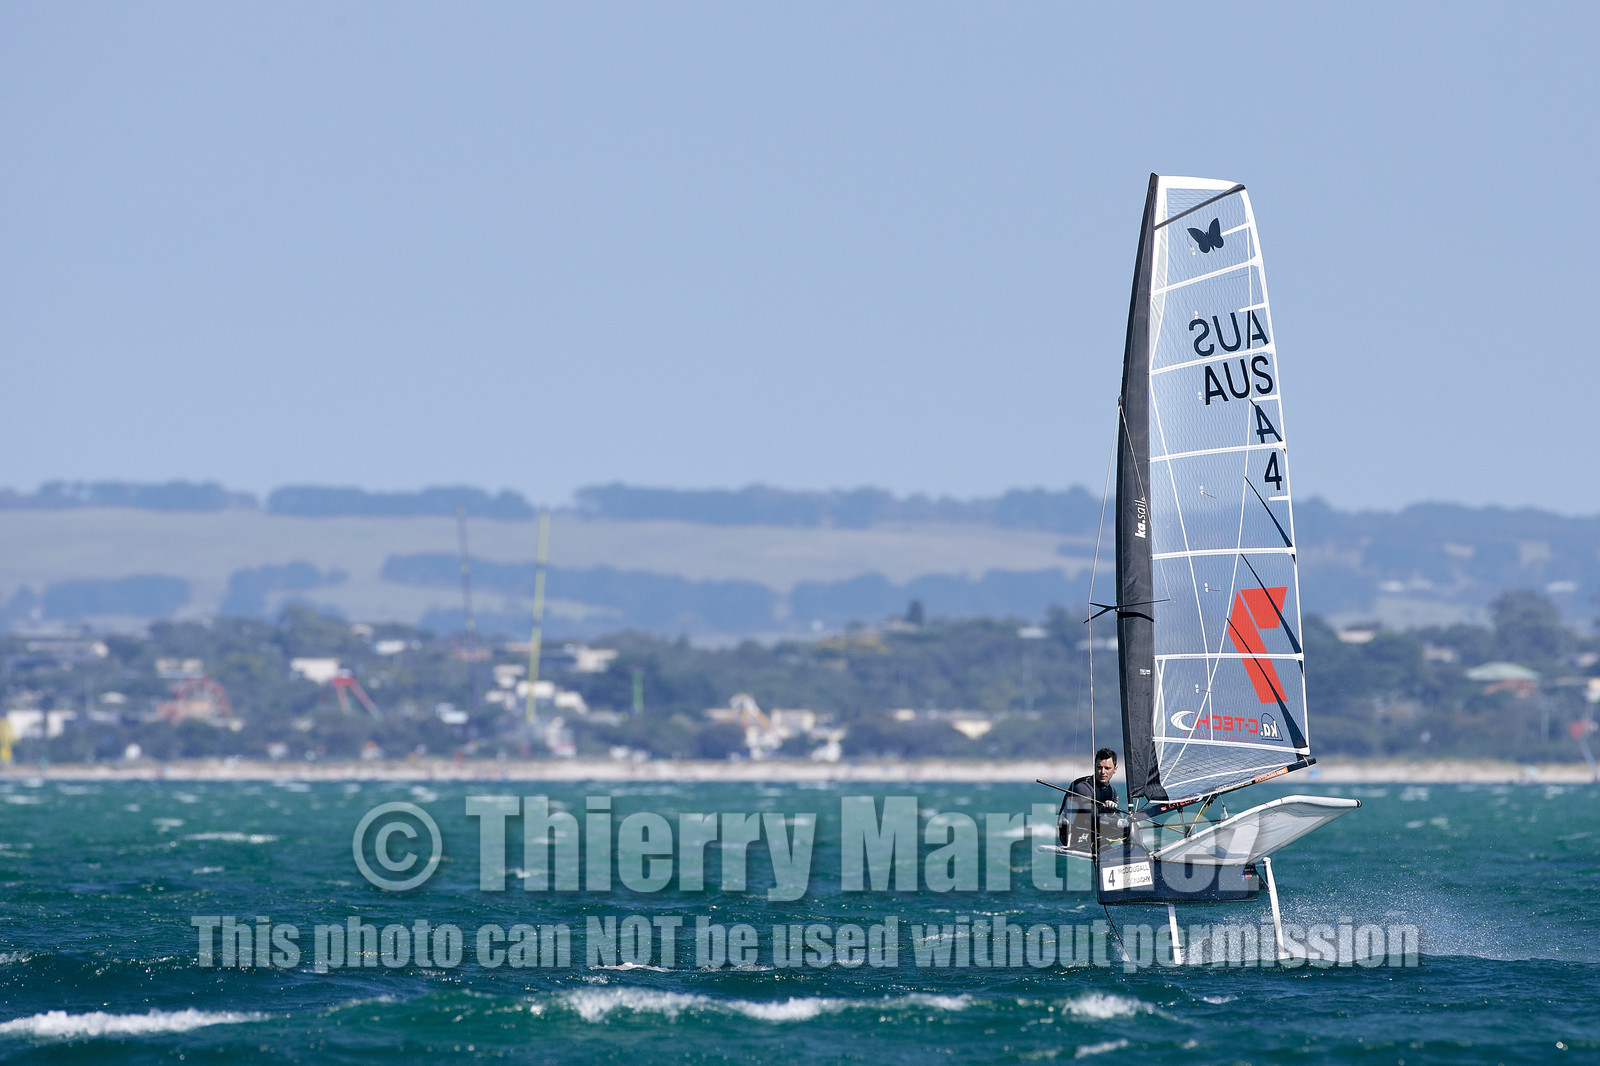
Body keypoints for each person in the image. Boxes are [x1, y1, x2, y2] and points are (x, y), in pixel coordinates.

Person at [1058, 748, 1123, 852]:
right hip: (1072, 834)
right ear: (1094, 767)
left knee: (1126, 832)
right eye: (1099, 767)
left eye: (1107, 768)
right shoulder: (1083, 787)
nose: (1103, 772)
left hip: (1095, 832)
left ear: (1115, 769)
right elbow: (1092, 817)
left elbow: (1118, 818)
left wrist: (1116, 815)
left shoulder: (1112, 792)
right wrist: (1118, 822)